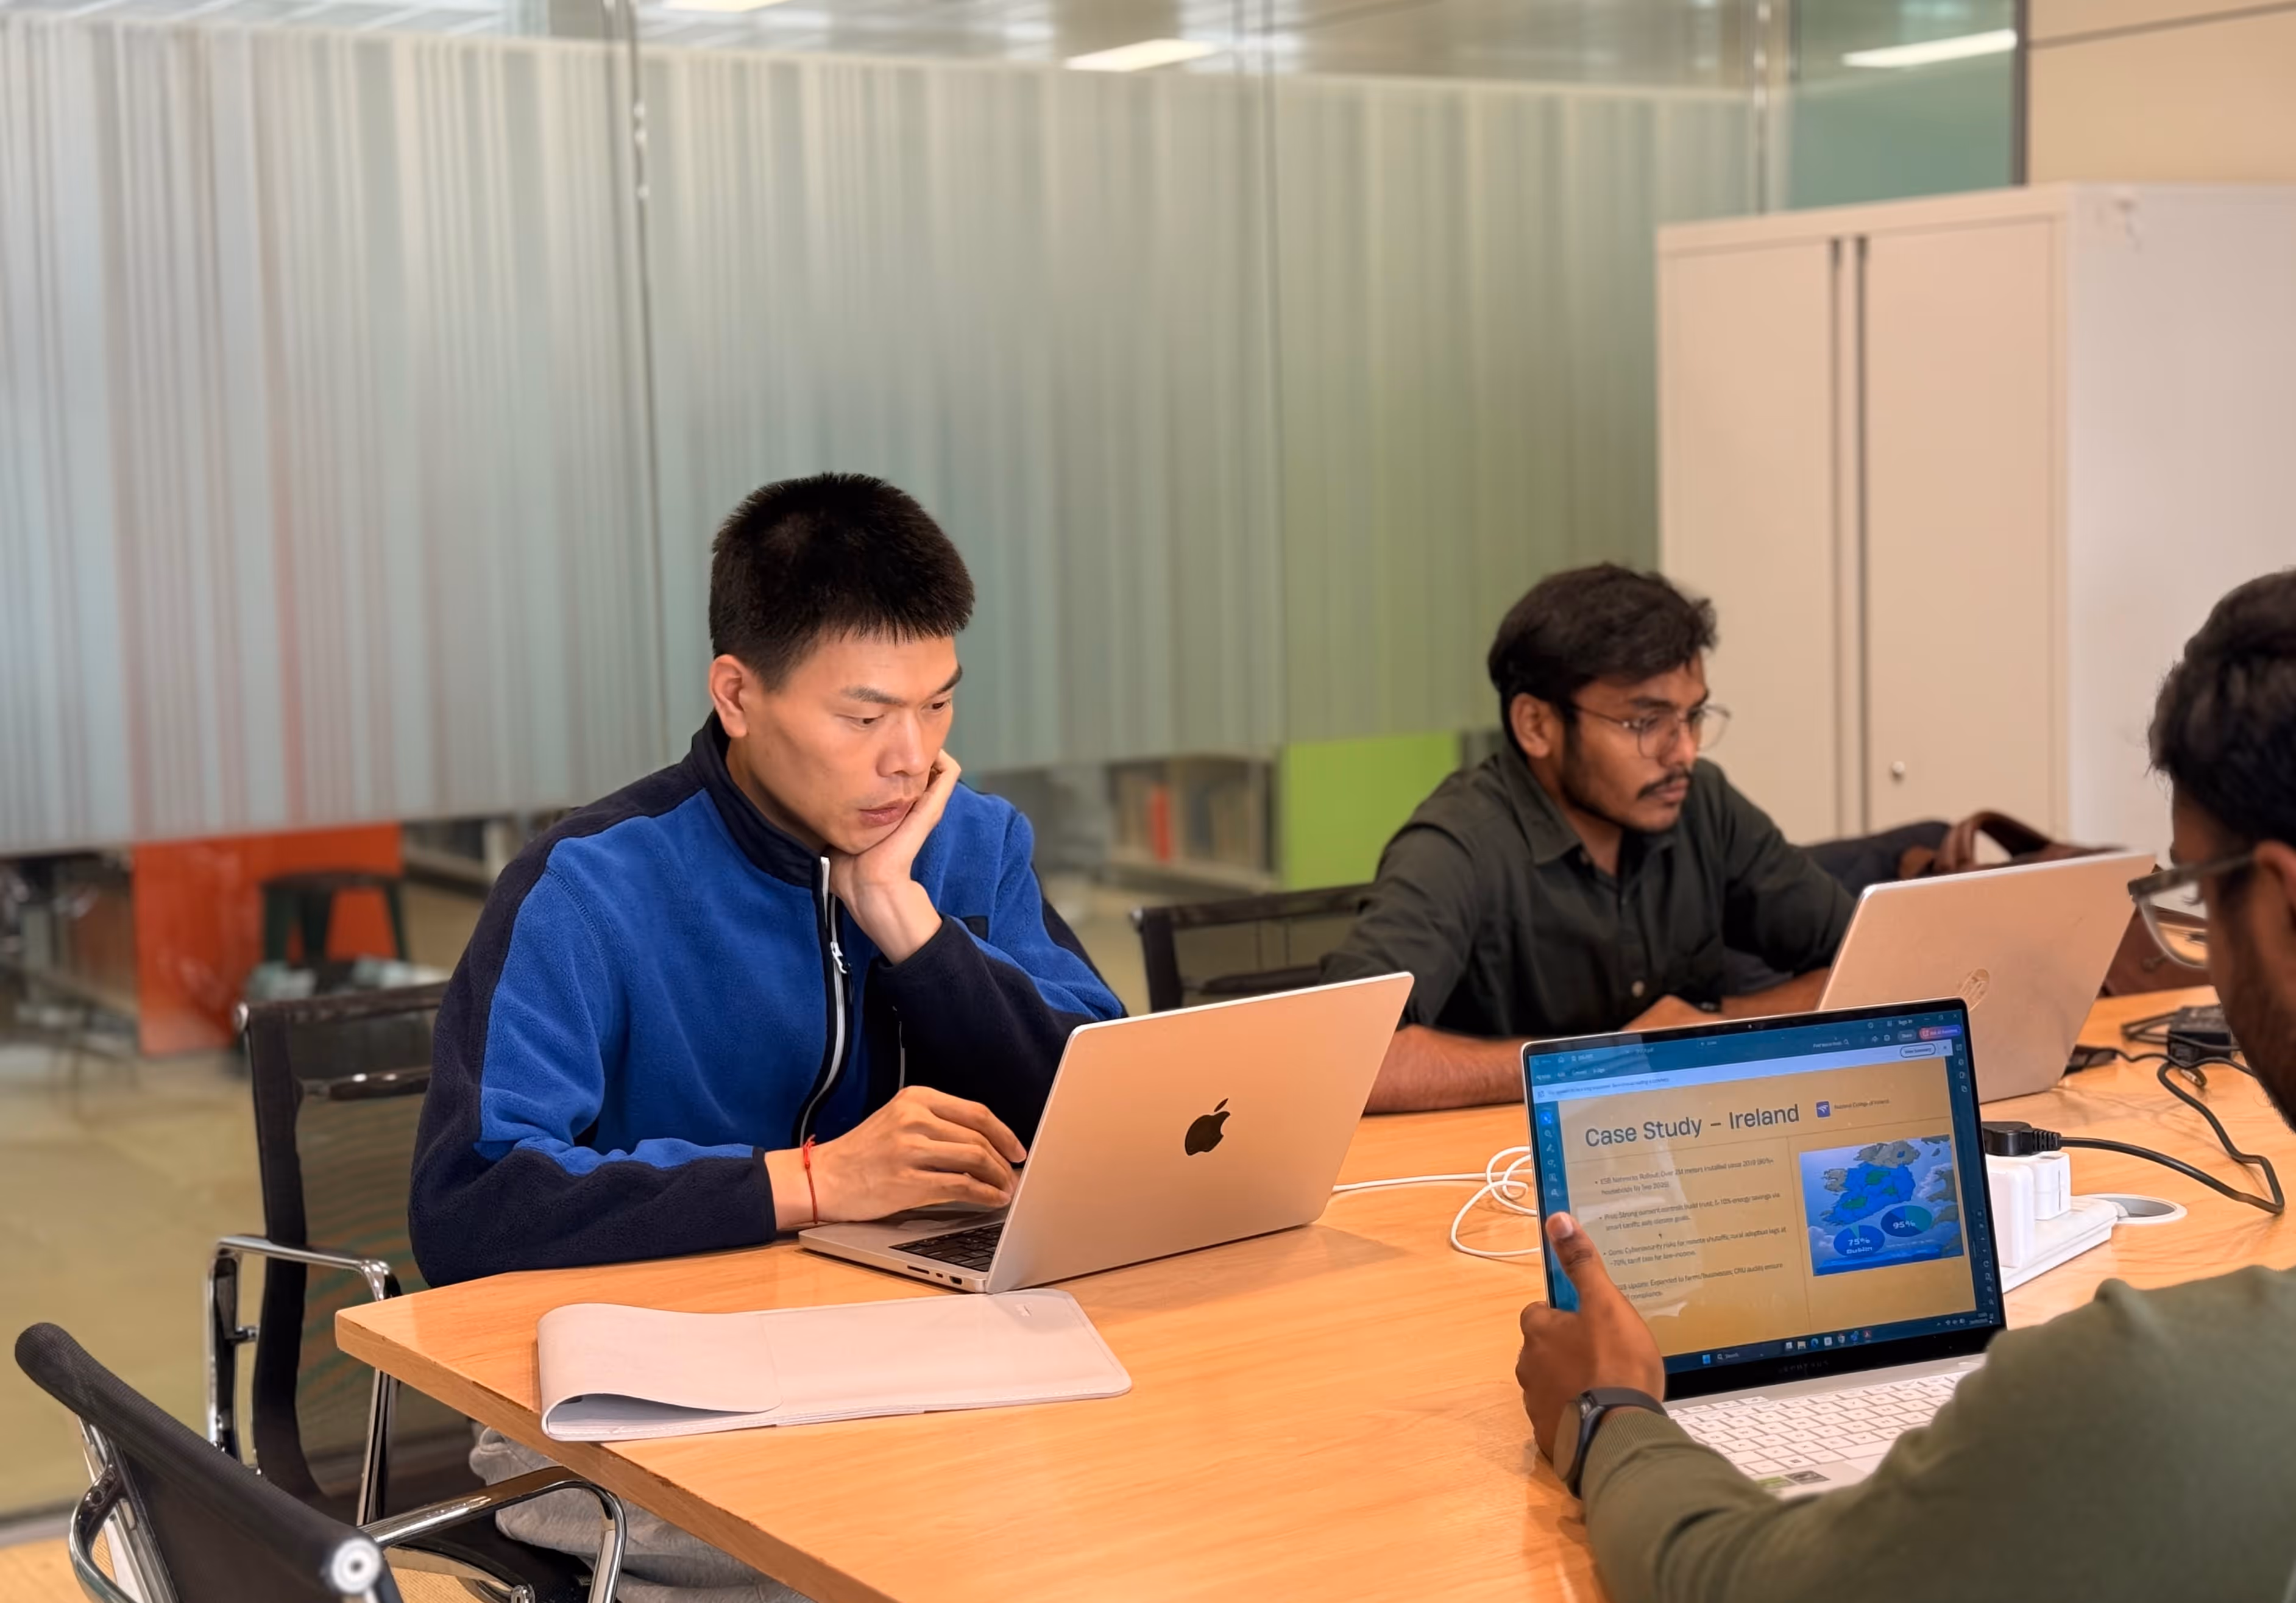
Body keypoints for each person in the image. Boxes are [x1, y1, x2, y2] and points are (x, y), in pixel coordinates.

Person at [1514, 568, 2296, 1602]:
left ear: (2278, 906)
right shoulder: (1463, 846)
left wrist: (1612, 1412)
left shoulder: (2142, 1401)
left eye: (2194, 890)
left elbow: (1739, 1584)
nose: (1679, 750)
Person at [411, 473, 1124, 1288]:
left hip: (930, 1331)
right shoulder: (586, 886)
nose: (912, 758)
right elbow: (469, 1206)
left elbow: (1110, 1120)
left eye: (936, 707)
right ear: (738, 695)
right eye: (864, 718)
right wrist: (811, 1181)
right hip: (664, 1344)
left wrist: (917, 936)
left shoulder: (973, 841)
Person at [1322, 564, 1852, 1113]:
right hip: (1503, 1174)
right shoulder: (1458, 843)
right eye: (1645, 723)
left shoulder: (1702, 802)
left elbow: (1869, 966)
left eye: (1692, 715)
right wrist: (1601, 1060)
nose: (1684, 752)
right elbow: (1354, 1060)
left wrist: (1707, 1028)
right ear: (1537, 726)